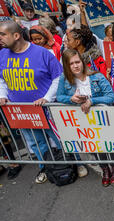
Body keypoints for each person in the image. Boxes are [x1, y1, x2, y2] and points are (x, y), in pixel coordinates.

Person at [0, 20, 63, 184]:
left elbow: (58, 78)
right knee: (37, 144)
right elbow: (1, 80)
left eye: (2, 34)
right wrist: (2, 95)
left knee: (60, 139)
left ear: (16, 35)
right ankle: (45, 168)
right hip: (21, 111)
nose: (0, 38)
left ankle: (71, 164)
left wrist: (47, 98)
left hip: (45, 109)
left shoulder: (43, 53)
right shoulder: (2, 55)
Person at [56, 49, 114, 182]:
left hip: (102, 119)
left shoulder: (97, 76)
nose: (75, 66)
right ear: (66, 66)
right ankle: (105, 169)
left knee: (108, 145)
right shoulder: (64, 79)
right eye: (71, 64)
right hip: (83, 121)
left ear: (82, 62)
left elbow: (111, 96)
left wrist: (91, 101)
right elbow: (59, 96)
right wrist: (71, 99)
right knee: (94, 146)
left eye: (77, 62)